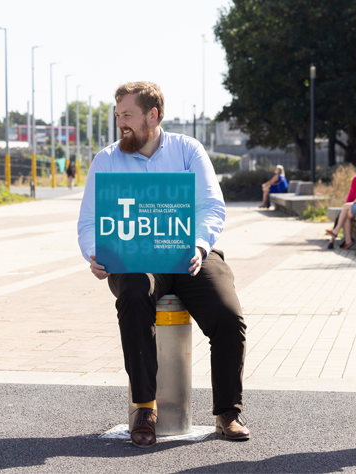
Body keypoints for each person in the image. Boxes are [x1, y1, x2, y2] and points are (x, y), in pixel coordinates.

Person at [78, 82, 249, 448]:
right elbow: (89, 220)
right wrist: (95, 254)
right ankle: (144, 407)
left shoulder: (188, 150)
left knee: (228, 315)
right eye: (117, 115)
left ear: (152, 116)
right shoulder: (107, 159)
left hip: (189, 255)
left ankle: (227, 413)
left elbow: (211, 207)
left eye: (127, 115)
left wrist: (201, 247)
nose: (120, 122)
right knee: (135, 292)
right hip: (136, 262)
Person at [326, 158, 356, 247]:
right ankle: (348, 240)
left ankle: (336, 233)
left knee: (345, 211)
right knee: (346, 214)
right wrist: (350, 204)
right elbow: (351, 194)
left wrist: (349, 205)